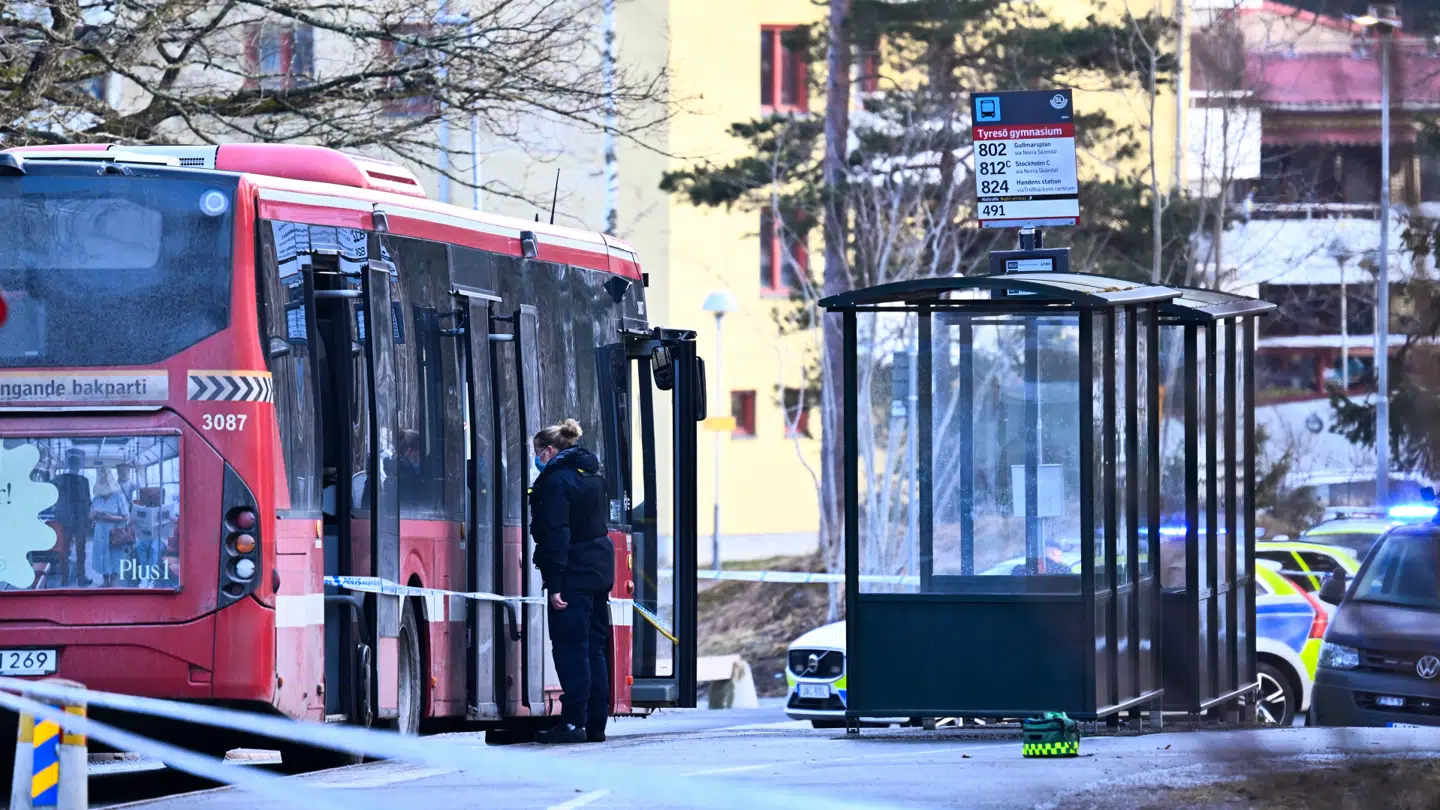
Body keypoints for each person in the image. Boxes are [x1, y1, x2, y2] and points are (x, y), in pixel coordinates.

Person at [529, 419, 614, 745]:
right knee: (594, 649)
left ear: (549, 450)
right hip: (598, 572)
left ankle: (572, 722)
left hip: (573, 575)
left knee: (570, 648)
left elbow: (556, 535)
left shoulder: (555, 483)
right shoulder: (592, 476)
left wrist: (555, 582)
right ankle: (595, 723)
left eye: (538, 453)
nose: (538, 460)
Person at [52, 448, 92, 586]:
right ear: (78, 466)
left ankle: (64, 579)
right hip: (79, 520)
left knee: (64, 550)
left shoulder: (58, 479)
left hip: (65, 520)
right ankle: (81, 577)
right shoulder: (84, 481)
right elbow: (87, 501)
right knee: (79, 550)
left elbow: (53, 499)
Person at [88, 467, 131, 588]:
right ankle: (105, 581)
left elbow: (126, 517)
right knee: (102, 556)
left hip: (114, 532)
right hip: (100, 532)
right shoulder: (96, 498)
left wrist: (109, 517)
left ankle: (114, 582)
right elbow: (90, 516)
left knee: (114, 556)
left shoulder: (118, 496)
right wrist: (93, 515)